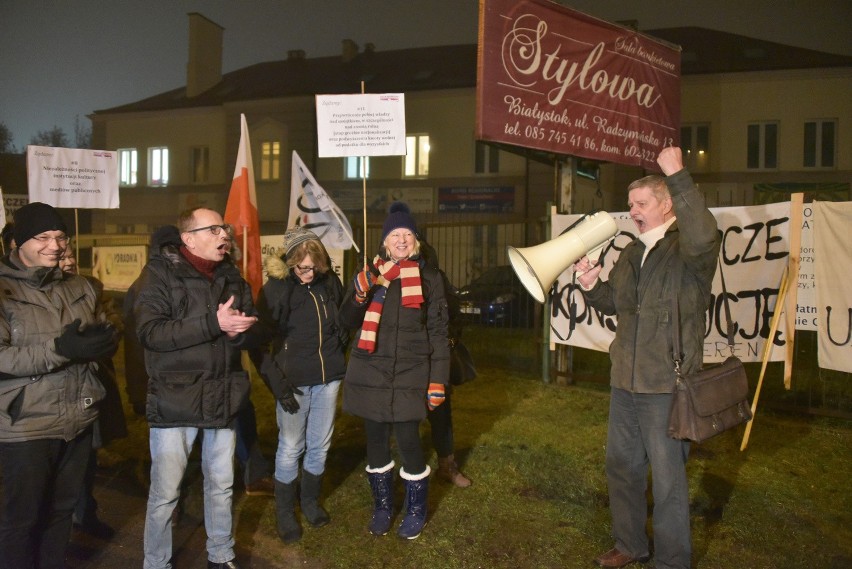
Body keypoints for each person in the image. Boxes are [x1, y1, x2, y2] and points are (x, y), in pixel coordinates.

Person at [573, 147, 720, 569]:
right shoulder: (634, 252)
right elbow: (615, 304)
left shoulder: (689, 251)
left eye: (641, 204)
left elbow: (705, 232)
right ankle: (630, 544)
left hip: (667, 385)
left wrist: (677, 173)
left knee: (669, 479)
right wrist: (590, 284)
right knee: (622, 468)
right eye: (630, 204)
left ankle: (672, 560)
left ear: (667, 203)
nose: (632, 211)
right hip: (626, 383)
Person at [134, 207, 263, 569]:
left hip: (221, 395)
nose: (224, 235)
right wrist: (213, 323)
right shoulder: (159, 273)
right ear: (189, 238)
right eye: (214, 229)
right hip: (176, 397)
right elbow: (150, 333)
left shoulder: (232, 276)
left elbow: (243, 329)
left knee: (221, 485)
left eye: (224, 228)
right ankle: (156, 562)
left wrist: (240, 333)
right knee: (166, 492)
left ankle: (220, 555)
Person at [0, 202, 119, 569]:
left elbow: (104, 326)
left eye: (60, 236)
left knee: (61, 514)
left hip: (77, 420)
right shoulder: (3, 290)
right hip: (26, 425)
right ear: (18, 242)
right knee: (21, 520)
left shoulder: (80, 285)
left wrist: (105, 340)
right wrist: (60, 349)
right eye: (42, 237)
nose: (55, 246)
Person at [340, 202, 450, 540]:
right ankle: (383, 506)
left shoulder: (430, 278)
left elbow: (440, 334)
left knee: (408, 440)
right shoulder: (371, 276)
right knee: (374, 440)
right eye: (394, 235)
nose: (400, 240)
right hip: (371, 369)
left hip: (410, 370)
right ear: (384, 242)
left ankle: (416, 509)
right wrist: (358, 296)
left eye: (406, 234)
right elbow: (346, 322)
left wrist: (438, 381)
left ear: (415, 241)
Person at [249, 226, 347, 543]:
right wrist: (279, 386)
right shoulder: (276, 290)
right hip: (293, 384)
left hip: (328, 380)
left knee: (319, 446)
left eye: (313, 266)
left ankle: (309, 502)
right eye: (300, 266)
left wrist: (336, 355)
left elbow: (343, 325)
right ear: (290, 262)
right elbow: (257, 345)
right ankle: (285, 513)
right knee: (291, 447)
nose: (307, 272)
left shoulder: (330, 283)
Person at [58, 247, 128, 540]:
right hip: (54, 393)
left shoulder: (91, 287)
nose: (69, 260)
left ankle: (85, 514)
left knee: (85, 456)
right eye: (62, 257)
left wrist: (104, 333)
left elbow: (114, 321)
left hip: (90, 386)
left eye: (71, 254)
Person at [420, 238, 471, 488]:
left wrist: (449, 340)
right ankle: (403, 468)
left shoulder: (436, 278)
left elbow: (453, 312)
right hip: (407, 360)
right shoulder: (390, 274)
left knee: (441, 414)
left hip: (435, 359)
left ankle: (446, 465)